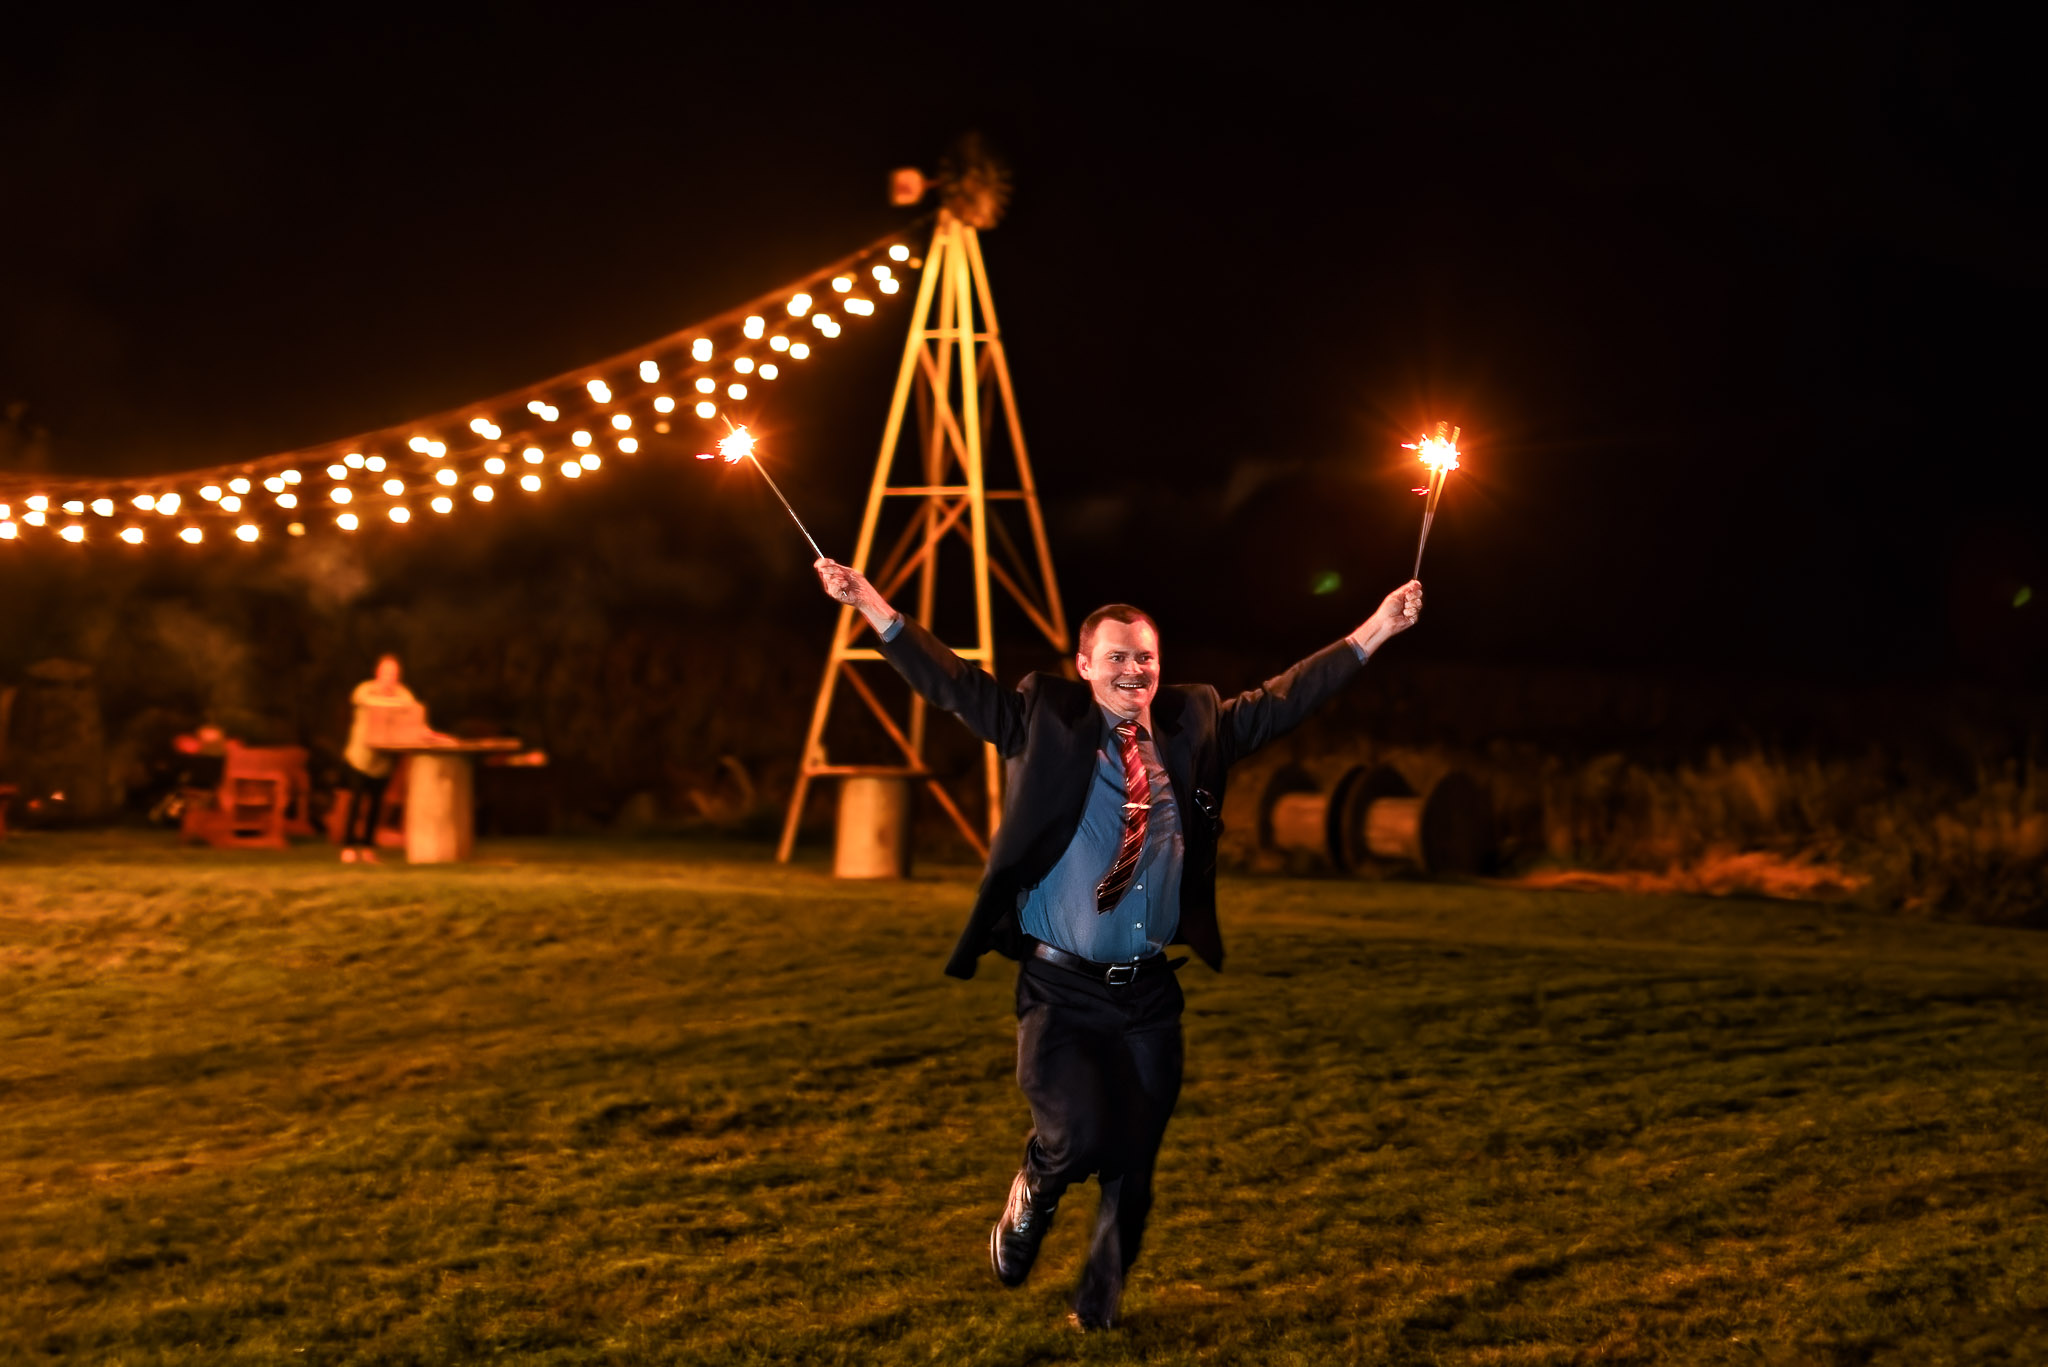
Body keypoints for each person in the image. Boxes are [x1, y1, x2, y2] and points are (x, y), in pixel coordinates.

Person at [812, 556, 1423, 1332]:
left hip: (1148, 994)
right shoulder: (1043, 718)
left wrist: (1377, 627)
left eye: (1147, 658)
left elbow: (1287, 698)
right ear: (1085, 664)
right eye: (1118, 658)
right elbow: (951, 683)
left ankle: (1095, 1311)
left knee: (1134, 1166)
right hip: (1060, 990)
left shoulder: (1195, 723)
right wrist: (868, 601)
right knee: (1078, 1135)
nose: (1134, 671)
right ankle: (1036, 1185)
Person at [339, 654, 419, 863]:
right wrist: (393, 704)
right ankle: (348, 846)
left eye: (393, 674)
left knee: (376, 805)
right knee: (356, 803)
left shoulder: (403, 694)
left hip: (384, 762)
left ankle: (367, 847)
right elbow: (363, 700)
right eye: (386, 673)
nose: (389, 678)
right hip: (360, 758)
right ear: (378, 673)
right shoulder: (365, 689)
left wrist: (398, 704)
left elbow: (411, 707)